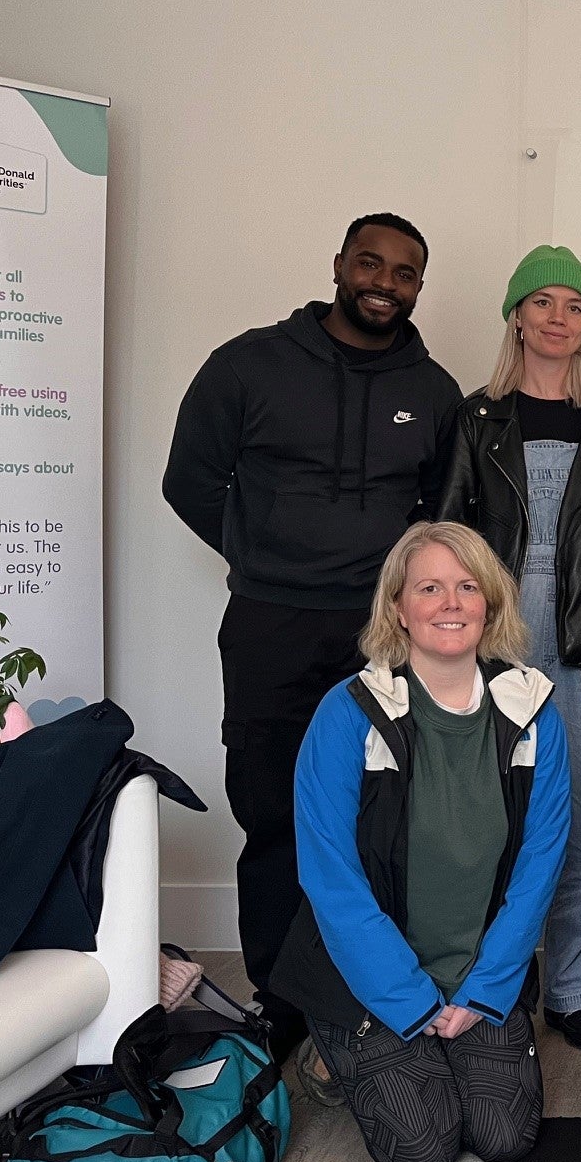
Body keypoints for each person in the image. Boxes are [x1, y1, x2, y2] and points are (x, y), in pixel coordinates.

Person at [163, 213, 462, 1063]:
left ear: (417, 288)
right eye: (370, 262)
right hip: (270, 625)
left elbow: (435, 517)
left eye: (405, 272)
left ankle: (371, 982)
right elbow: (188, 481)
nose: (384, 281)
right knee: (273, 814)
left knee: (383, 818)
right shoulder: (248, 365)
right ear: (339, 264)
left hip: (381, 635)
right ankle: (281, 995)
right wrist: (262, 557)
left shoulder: (433, 392)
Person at [268, 522, 570, 1162]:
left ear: (490, 604)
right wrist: (408, 1001)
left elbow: (539, 866)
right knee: (423, 1151)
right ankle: (329, 1054)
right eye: (429, 588)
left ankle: (445, 1048)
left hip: (476, 969)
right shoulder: (346, 714)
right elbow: (331, 878)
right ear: (399, 608)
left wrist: (486, 991)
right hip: (368, 980)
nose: (451, 603)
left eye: (468, 587)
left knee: (503, 1136)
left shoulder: (532, 710)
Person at [438, 245, 581, 1053]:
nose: (559, 319)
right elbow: (447, 535)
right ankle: (495, 980)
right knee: (493, 827)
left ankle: (570, 989)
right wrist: (463, 642)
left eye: (574, 307)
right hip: (493, 642)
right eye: (543, 303)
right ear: (516, 316)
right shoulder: (476, 417)